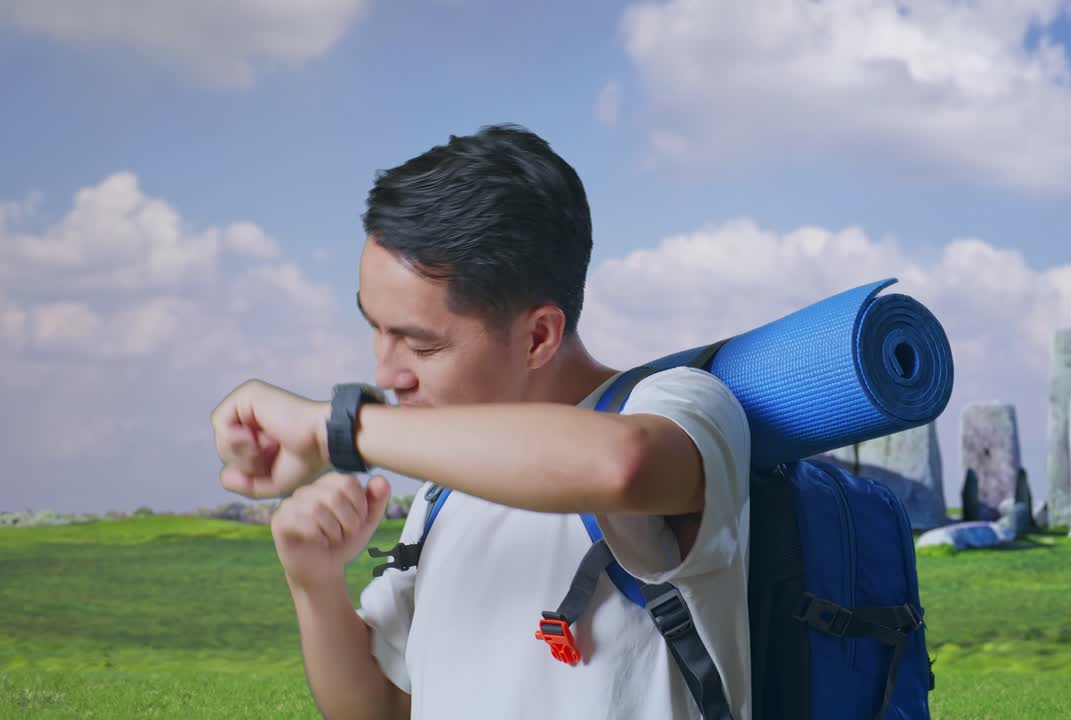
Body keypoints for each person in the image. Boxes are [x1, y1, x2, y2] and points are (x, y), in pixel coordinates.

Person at [209, 124, 753, 719]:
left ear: (538, 336)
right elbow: (384, 709)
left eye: (420, 345)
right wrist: (314, 582)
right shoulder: (445, 489)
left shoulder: (680, 406)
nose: (386, 373)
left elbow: (620, 466)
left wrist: (336, 429)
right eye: (376, 328)